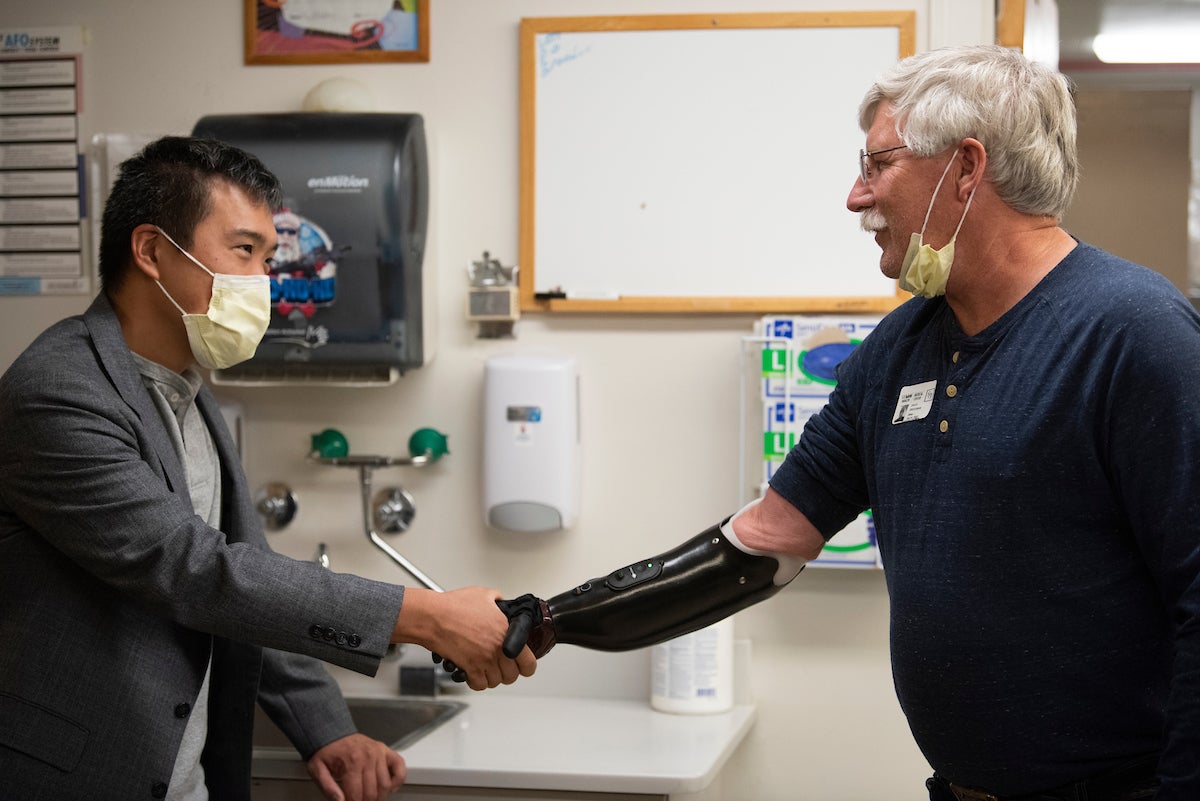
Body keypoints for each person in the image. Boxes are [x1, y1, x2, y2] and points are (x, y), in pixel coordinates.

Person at [495, 45, 1200, 801]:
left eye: (877, 165)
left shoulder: (1134, 332)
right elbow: (762, 542)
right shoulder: (899, 350)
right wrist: (553, 619)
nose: (855, 197)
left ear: (966, 168)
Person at [0, 136, 536, 801]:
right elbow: (196, 570)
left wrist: (324, 726)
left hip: (184, 781)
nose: (265, 280)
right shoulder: (58, 391)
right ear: (151, 251)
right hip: (80, 775)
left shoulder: (191, 392)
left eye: (269, 257)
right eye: (245, 251)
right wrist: (424, 615)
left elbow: (241, 571)